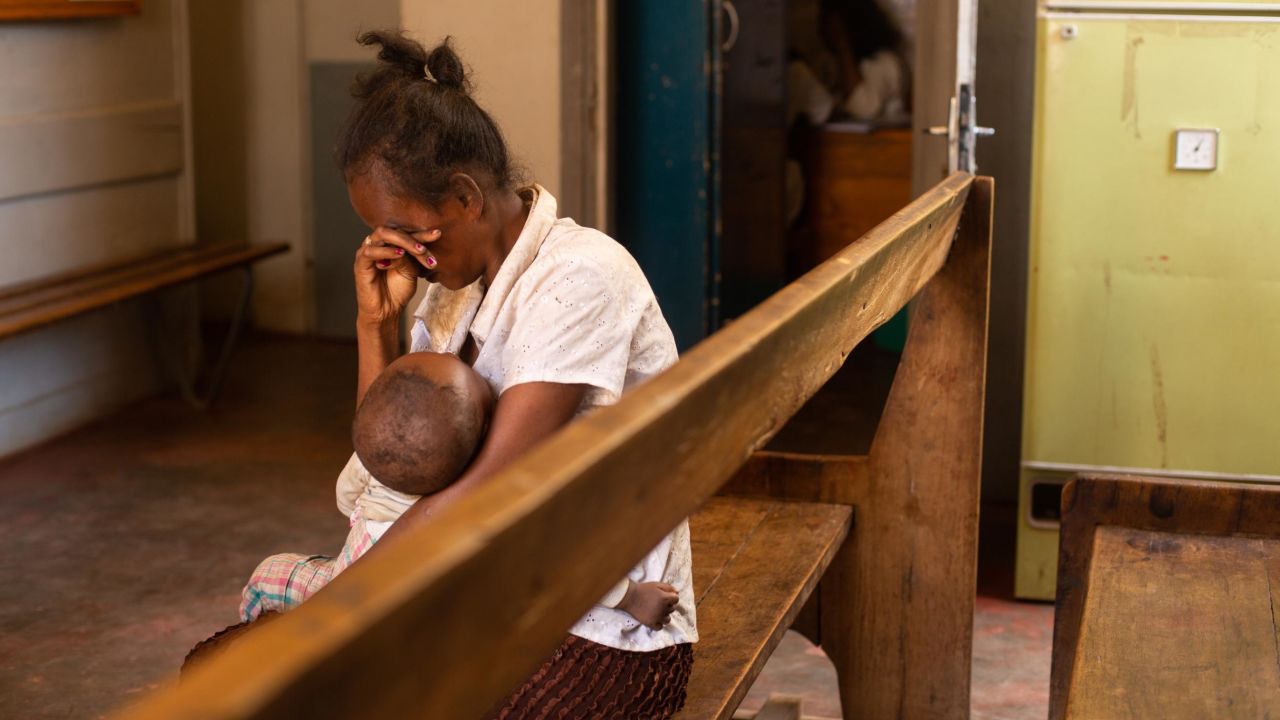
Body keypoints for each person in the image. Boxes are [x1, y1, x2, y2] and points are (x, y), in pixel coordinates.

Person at [341, 29, 696, 719]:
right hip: (497, 591)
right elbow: (392, 464)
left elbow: (488, 490)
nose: (404, 253)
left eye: (410, 231)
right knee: (244, 664)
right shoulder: (454, 290)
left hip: (602, 640)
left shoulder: (579, 277)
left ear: (467, 197)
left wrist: (345, 609)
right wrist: (376, 326)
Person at [184, 353, 679, 675]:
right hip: (425, 637)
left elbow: (344, 497)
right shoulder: (482, 511)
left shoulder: (370, 471)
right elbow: (553, 563)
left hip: (345, 589)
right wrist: (631, 596)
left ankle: (257, 647)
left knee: (271, 573)